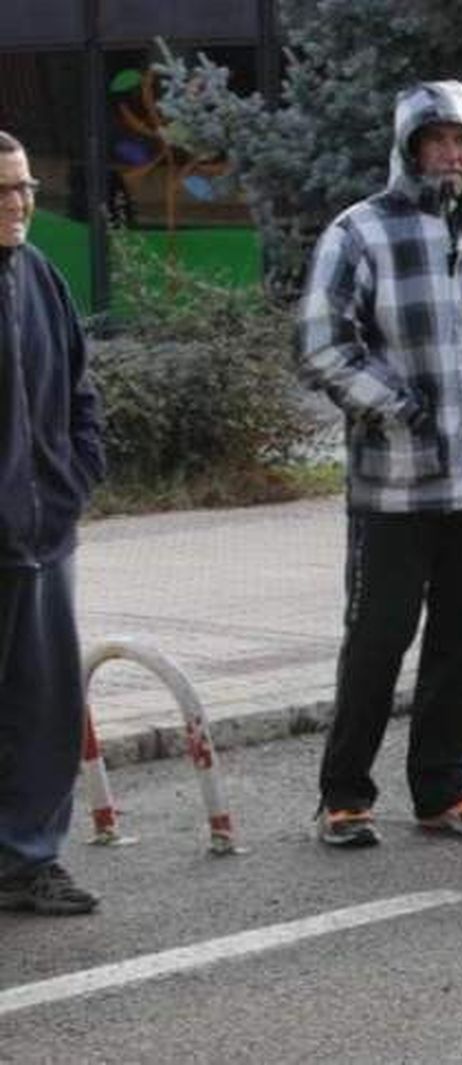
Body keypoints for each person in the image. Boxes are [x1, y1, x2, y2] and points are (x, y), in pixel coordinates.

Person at [298, 82, 462, 847]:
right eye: (437, 140)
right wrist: (394, 402)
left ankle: (444, 787)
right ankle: (344, 795)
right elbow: (321, 343)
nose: (452, 154)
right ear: (410, 146)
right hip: (396, 481)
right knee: (378, 637)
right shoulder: (360, 232)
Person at [0, 131, 105, 913]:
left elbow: (79, 392)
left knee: (44, 707)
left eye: (27, 188)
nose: (19, 204)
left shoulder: (39, 275)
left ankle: (28, 859)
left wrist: (75, 478)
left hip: (45, 535)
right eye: (3, 192)